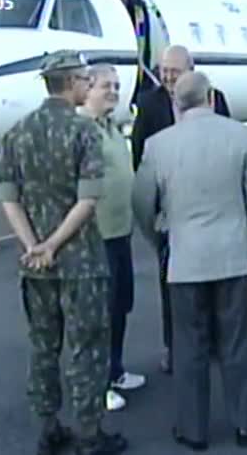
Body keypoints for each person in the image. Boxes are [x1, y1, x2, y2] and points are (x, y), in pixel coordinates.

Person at [0, 50, 127, 455]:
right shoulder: (83, 131)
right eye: (86, 80)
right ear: (71, 83)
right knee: (87, 346)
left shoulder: (17, 132)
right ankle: (90, 433)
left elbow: (8, 197)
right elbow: (88, 200)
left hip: (36, 266)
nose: (89, 86)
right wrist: (55, 244)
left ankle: (49, 427)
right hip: (81, 262)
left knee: (44, 345)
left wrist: (34, 245)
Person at [132, 71, 247, 449]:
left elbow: (141, 201)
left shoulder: (159, 145)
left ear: (177, 103)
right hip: (232, 256)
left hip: (184, 260)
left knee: (189, 347)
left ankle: (194, 430)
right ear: (210, 99)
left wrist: (158, 236)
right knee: (237, 344)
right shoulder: (240, 136)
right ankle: (245, 423)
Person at [129, 44, 230, 374]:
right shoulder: (149, 104)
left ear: (192, 69)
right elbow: (139, 158)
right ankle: (175, 347)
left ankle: (212, 341)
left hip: (213, 209)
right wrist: (153, 216)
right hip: (170, 214)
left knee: (216, 282)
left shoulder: (215, 99)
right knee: (171, 285)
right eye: (164, 70)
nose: (168, 76)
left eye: (175, 70)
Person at [82, 64, 147, 412]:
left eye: (117, 86)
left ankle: (116, 369)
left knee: (121, 305)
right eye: (106, 85)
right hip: (97, 238)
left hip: (121, 233)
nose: (113, 91)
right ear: (87, 87)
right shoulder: (83, 131)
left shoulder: (112, 129)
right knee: (99, 314)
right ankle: (97, 382)